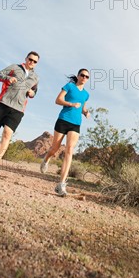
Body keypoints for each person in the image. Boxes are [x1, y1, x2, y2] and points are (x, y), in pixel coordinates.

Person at [0, 51, 40, 178]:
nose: (32, 62)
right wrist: (8, 78)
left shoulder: (35, 77)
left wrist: (32, 93)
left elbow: (34, 91)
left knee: (7, 134)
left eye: (35, 61)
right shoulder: (14, 67)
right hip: (3, 103)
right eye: (30, 59)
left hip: (18, 109)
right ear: (26, 58)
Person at [40, 68, 90, 196]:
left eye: (87, 77)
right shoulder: (69, 86)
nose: (84, 78)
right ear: (78, 76)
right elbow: (58, 100)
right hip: (63, 120)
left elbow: (83, 107)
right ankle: (46, 159)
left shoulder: (86, 94)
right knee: (55, 148)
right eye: (82, 75)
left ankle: (61, 184)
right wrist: (71, 104)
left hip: (76, 123)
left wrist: (85, 112)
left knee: (69, 150)